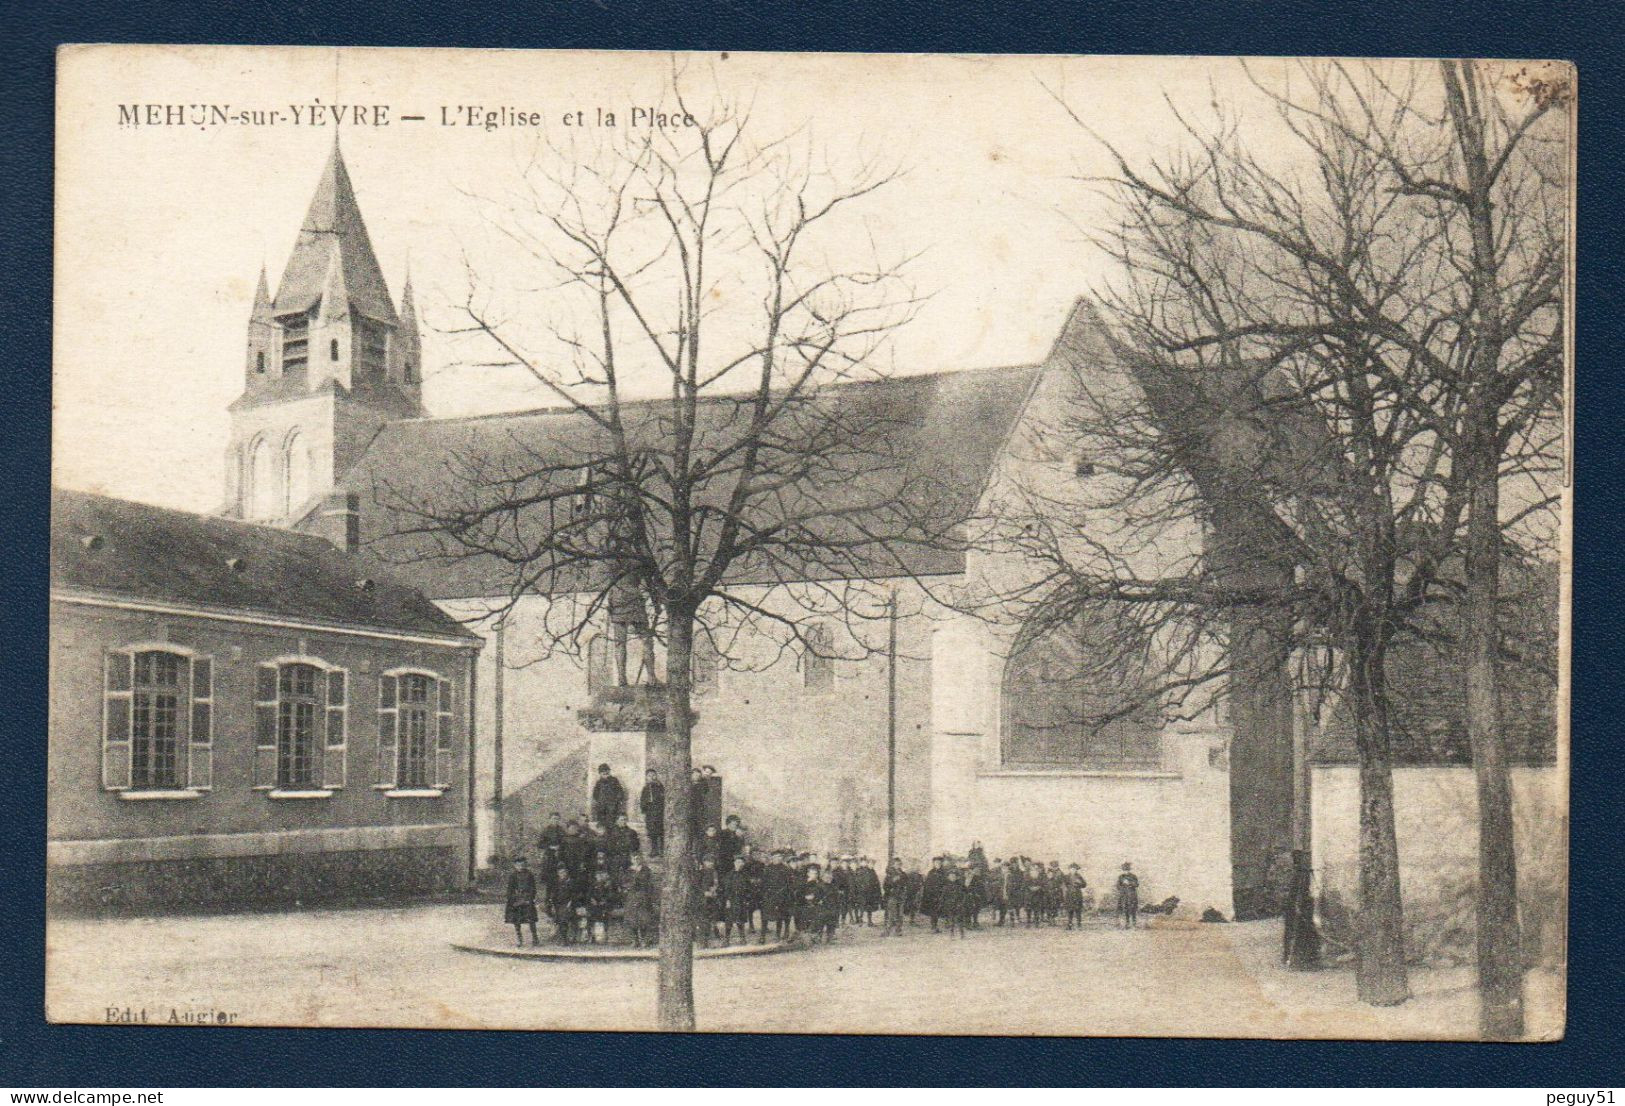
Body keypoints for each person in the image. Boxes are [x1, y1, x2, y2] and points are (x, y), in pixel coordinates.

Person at [760, 849, 796, 943]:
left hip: (782, 896)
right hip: (769, 895)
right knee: (765, 916)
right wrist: (765, 894)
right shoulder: (767, 868)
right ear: (772, 858)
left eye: (780, 857)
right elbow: (763, 883)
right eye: (776, 857)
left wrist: (785, 894)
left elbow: (789, 883)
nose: (778, 859)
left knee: (780, 916)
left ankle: (778, 935)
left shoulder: (785, 869)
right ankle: (762, 936)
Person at [623, 854, 657, 949]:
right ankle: (635, 940)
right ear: (631, 859)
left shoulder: (646, 870)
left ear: (641, 858)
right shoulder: (628, 871)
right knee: (632, 919)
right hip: (632, 897)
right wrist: (628, 887)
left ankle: (644, 940)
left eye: (638, 858)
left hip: (643, 896)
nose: (636, 859)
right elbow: (625, 883)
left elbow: (649, 884)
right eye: (634, 858)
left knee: (644, 919)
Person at [504, 856, 540, 947]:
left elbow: (533, 888)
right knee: (517, 921)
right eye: (518, 865)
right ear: (515, 866)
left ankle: (535, 938)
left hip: (527, 899)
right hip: (517, 899)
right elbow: (510, 889)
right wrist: (512, 899)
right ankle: (520, 939)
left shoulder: (529, 874)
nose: (520, 866)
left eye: (522, 864)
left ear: (524, 865)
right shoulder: (513, 876)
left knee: (531, 920)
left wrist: (530, 898)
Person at [721, 856, 753, 946]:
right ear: (734, 863)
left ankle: (742, 939)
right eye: (737, 862)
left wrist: (747, 899)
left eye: (741, 862)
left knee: (740, 920)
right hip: (731, 900)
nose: (739, 864)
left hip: (741, 900)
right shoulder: (729, 875)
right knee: (729, 921)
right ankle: (726, 940)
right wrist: (727, 900)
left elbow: (748, 888)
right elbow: (726, 889)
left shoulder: (745, 875)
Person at [605, 813, 640, 884]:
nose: (623, 822)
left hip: (627, 857)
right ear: (617, 821)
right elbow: (608, 846)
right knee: (614, 879)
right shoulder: (611, 832)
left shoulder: (631, 832)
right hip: (614, 858)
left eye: (625, 820)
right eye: (621, 820)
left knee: (627, 879)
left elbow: (636, 846)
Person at [586, 869, 619, 945]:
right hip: (594, 905)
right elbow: (588, 895)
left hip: (604, 905)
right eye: (598, 875)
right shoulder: (593, 885)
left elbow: (612, 896)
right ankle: (591, 936)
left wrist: (605, 901)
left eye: (601, 875)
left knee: (605, 915)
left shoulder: (607, 885)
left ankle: (606, 936)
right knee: (590, 916)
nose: (599, 877)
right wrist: (592, 899)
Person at [591, 763, 627, 830]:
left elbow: (620, 791)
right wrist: (599, 801)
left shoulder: (614, 780)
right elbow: (595, 794)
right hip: (602, 807)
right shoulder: (599, 783)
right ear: (600, 773)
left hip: (613, 806)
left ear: (609, 771)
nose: (605, 773)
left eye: (606, 771)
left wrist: (618, 800)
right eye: (603, 772)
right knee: (603, 823)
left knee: (612, 823)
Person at [639, 769, 666, 856]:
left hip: (659, 812)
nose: (652, 777)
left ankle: (662, 850)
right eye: (650, 776)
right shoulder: (646, 788)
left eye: (654, 775)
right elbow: (642, 800)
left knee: (661, 831)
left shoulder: (660, 786)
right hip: (650, 813)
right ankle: (654, 850)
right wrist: (643, 810)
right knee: (652, 831)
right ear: (647, 777)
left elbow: (663, 798)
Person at [921, 856, 947, 933]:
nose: (938, 864)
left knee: (942, 910)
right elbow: (927, 884)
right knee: (934, 911)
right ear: (934, 864)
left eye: (939, 863)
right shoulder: (931, 872)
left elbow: (946, 883)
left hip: (942, 895)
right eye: (936, 863)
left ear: (941, 863)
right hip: (932, 896)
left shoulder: (944, 872)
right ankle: (934, 926)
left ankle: (946, 924)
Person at [882, 858, 907, 936]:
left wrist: (904, 890)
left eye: (899, 864)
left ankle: (898, 930)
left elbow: (906, 883)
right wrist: (893, 881)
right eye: (896, 864)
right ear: (893, 865)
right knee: (891, 914)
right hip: (892, 897)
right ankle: (887, 930)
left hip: (901, 896)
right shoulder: (889, 874)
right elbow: (885, 886)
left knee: (900, 914)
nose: (898, 865)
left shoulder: (903, 874)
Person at [857, 857, 883, 926]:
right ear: (868, 864)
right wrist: (862, 889)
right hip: (863, 893)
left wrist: (877, 892)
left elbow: (876, 883)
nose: (872, 865)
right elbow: (859, 882)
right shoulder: (863, 871)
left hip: (871, 893)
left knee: (870, 908)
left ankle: (869, 921)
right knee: (862, 906)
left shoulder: (873, 872)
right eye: (871, 864)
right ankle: (860, 920)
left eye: (873, 864)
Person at [1116, 862, 1141, 929]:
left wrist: (1129, 883)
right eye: (1124, 869)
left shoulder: (1133, 876)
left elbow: (1137, 884)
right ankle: (1127, 923)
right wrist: (1122, 887)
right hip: (1124, 895)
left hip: (1132, 895)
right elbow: (1118, 886)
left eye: (1127, 869)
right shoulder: (1121, 877)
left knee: (1133, 909)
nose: (1125, 871)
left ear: (1129, 869)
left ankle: (1134, 923)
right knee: (1125, 909)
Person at [1064, 864, 1087, 930]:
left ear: (1076, 870)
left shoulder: (1079, 876)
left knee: (1078, 910)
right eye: (1072, 869)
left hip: (1077, 895)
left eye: (1074, 869)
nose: (1073, 870)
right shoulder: (1066, 876)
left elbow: (1084, 884)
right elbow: (1064, 885)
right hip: (1069, 895)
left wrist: (1080, 883)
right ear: (1069, 869)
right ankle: (1069, 925)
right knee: (1070, 910)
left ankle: (1079, 925)